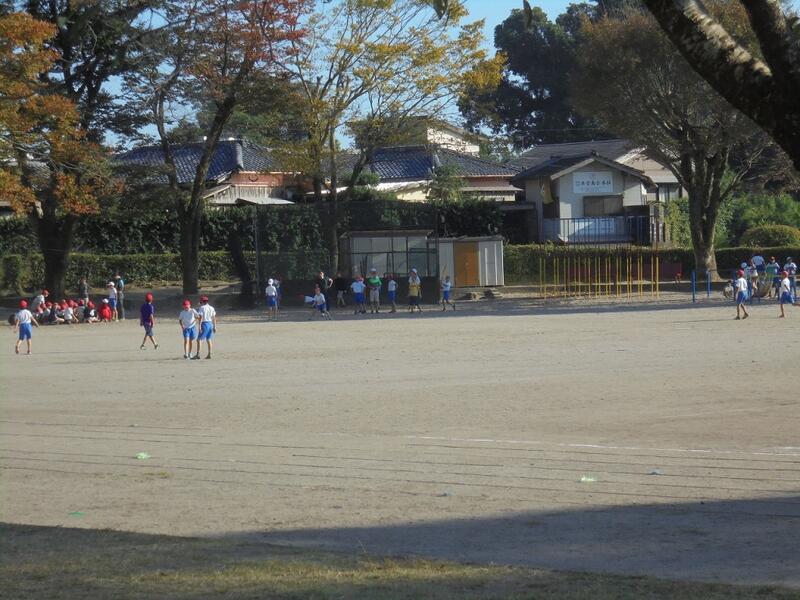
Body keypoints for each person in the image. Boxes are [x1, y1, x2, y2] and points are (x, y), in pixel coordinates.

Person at [194, 295, 216, 359]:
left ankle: (198, 354)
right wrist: (215, 326)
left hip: (204, 324)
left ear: (202, 302)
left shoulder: (202, 308)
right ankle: (210, 354)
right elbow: (214, 318)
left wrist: (200, 326)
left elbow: (201, 317)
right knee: (209, 339)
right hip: (210, 324)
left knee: (199, 340)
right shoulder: (212, 308)